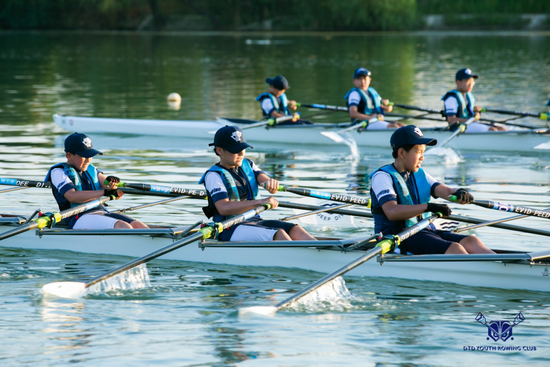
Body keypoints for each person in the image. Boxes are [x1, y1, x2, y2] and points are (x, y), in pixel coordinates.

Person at [369, 125, 495, 255]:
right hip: (397, 237)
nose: (422, 157)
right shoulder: (382, 177)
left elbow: (446, 191)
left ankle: (499, 265)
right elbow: (392, 212)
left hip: (425, 230)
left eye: (423, 152)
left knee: (471, 241)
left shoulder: (420, 174)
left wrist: (460, 192)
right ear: (401, 153)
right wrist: (428, 207)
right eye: (418, 152)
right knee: (454, 248)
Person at [199, 125, 316, 242]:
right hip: (228, 228)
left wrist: (270, 183)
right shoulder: (213, 175)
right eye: (235, 150)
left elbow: (263, 179)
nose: (241, 153)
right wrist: (261, 201)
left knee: (295, 229)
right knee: (278, 234)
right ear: (219, 151)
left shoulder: (248, 164)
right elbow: (224, 208)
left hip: (254, 221)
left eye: (242, 148)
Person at [45, 133, 149, 230]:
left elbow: (106, 184)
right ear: (69, 156)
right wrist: (104, 192)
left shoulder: (91, 169)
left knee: (138, 225)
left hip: (101, 212)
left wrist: (112, 183)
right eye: (83, 156)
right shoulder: (58, 172)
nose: (88, 160)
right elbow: (72, 196)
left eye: (90, 155)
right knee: (123, 226)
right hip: (77, 217)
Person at [442, 68, 506, 132]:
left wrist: (477, 112)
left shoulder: (467, 96)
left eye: (472, 81)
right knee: (492, 130)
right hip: (459, 128)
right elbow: (451, 120)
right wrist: (471, 119)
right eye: (467, 81)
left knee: (502, 129)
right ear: (458, 82)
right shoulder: (452, 98)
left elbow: (468, 113)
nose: (471, 84)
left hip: (470, 124)